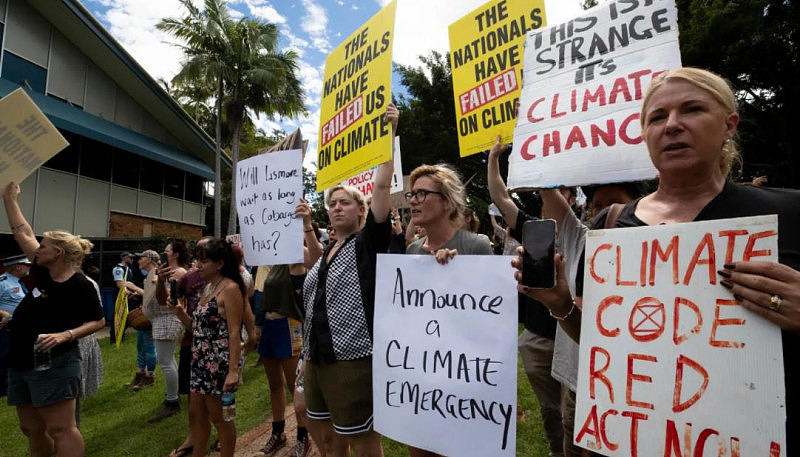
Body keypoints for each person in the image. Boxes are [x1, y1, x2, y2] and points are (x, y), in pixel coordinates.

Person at [513, 67, 800, 451]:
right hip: (636, 438)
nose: (673, 125)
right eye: (658, 117)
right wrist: (562, 303)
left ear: (730, 124)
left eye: (693, 109)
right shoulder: (611, 224)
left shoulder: (789, 214)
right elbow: (602, 339)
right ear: (644, 134)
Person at [302, 103, 398, 457]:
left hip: (352, 356)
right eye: (331, 203)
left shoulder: (367, 242)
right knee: (326, 437)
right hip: (316, 356)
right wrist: (307, 223)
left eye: (345, 202)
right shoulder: (328, 248)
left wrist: (388, 135)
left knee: (362, 439)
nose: (336, 207)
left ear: (362, 209)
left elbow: (384, 185)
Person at [2, 181, 105, 457]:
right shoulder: (44, 273)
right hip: (21, 358)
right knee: (31, 427)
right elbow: (22, 232)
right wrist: (9, 198)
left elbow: (98, 322)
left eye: (43, 246)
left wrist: (64, 335)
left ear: (57, 253)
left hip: (54, 362)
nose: (37, 250)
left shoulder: (80, 284)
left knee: (61, 428)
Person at [403, 164, 492, 457]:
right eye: (411, 194)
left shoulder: (477, 246)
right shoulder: (413, 252)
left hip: (465, 380)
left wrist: (457, 275)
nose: (413, 200)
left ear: (447, 201)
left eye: (422, 193)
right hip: (424, 377)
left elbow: (492, 318)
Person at [487, 142, 565, 457]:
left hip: (575, 338)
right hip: (537, 337)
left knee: (574, 407)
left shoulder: (589, 232)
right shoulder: (532, 229)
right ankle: (556, 451)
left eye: (564, 192)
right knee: (549, 409)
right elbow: (501, 198)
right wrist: (494, 158)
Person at [256, 200, 323, 457]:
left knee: (293, 387)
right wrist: (259, 326)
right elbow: (261, 295)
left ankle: (303, 437)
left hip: (290, 327)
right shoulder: (270, 261)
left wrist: (304, 225)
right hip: (271, 329)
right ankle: (278, 432)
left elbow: (319, 262)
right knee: (273, 386)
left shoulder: (297, 256)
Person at [172, 239, 245, 457]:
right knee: (197, 415)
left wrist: (233, 371)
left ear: (220, 263)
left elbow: (234, 331)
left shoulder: (230, 289)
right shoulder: (208, 287)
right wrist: (180, 314)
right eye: (197, 261)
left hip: (218, 363)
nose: (198, 266)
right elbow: (197, 328)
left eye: (203, 261)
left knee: (220, 418)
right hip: (201, 359)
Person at [159, 237, 213, 457]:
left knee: (216, 399)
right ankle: (193, 437)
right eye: (199, 251)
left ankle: (218, 434)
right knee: (193, 398)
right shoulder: (188, 278)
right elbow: (167, 302)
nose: (201, 256)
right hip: (191, 342)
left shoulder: (226, 280)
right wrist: (162, 283)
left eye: (206, 251)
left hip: (215, 346)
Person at [134, 247, 185, 423]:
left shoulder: (171, 273)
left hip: (166, 319)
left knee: (165, 362)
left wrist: (159, 281)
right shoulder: (159, 273)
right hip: (162, 320)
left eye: (168, 250)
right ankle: (174, 394)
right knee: (169, 361)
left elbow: (168, 297)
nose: (165, 252)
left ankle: (172, 401)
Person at [116, 251, 156, 389]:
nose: (138, 260)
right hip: (145, 314)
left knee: (149, 347)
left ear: (150, 260)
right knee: (140, 346)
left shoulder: (155, 274)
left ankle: (149, 377)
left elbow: (152, 295)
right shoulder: (147, 275)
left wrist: (134, 288)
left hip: (151, 317)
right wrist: (135, 295)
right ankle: (140, 373)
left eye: (141, 258)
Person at [0, 254, 31, 397]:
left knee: (15, 357)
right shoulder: (3, 283)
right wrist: (3, 314)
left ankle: (13, 386)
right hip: (6, 328)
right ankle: (4, 389)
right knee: (5, 357)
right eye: (27, 265)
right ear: (18, 266)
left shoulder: (18, 282)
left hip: (20, 328)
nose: (29, 267)